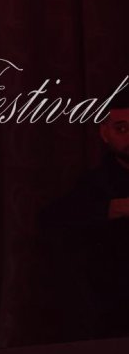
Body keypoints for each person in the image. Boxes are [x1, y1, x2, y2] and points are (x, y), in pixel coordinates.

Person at [40, 89, 129, 340]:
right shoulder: (96, 183)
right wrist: (114, 208)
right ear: (105, 133)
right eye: (122, 129)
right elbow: (53, 220)